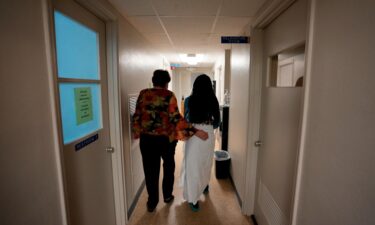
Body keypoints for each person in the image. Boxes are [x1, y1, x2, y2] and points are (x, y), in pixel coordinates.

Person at [132, 69, 208, 212]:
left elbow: (137, 115)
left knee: (150, 170)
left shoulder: (143, 93)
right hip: (165, 140)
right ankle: (167, 196)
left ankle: (152, 202)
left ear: (153, 80)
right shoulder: (169, 96)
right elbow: (175, 118)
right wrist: (196, 131)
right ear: (167, 83)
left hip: (147, 140)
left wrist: (136, 132)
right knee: (168, 166)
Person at [180, 74, 220, 212]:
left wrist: (197, 128)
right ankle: (204, 185)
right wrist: (207, 126)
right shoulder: (213, 100)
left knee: (193, 166)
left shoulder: (189, 101)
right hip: (208, 134)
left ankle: (193, 199)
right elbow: (217, 122)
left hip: (193, 133)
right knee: (205, 163)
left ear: (194, 86)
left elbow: (185, 121)